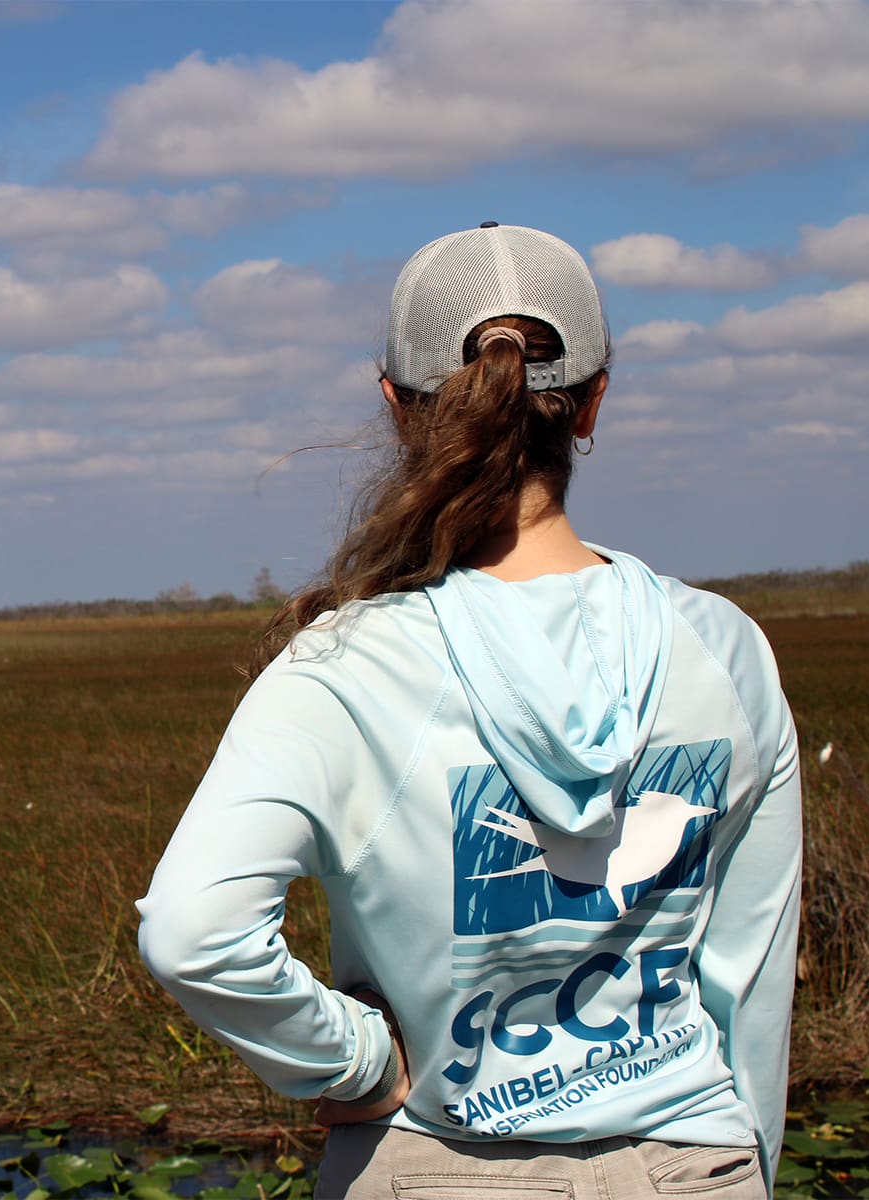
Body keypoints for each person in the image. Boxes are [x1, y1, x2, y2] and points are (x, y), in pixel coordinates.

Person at [137, 224, 799, 1199]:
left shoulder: (343, 665)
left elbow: (195, 933)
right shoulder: (726, 647)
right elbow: (749, 986)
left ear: (399, 409)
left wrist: (354, 1063)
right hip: (698, 1166)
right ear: (594, 402)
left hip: (436, 1166)